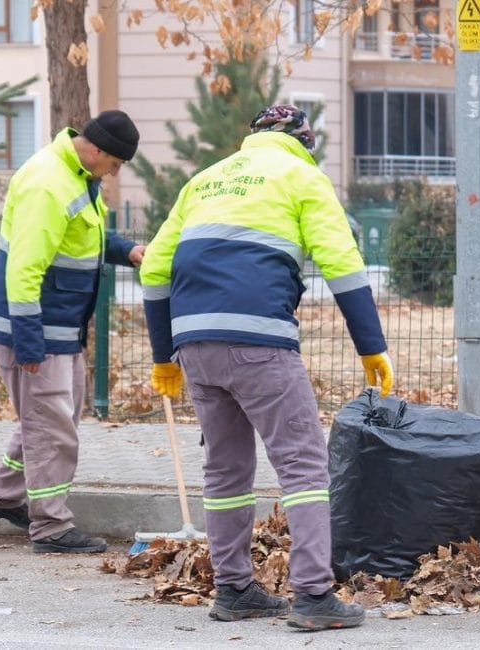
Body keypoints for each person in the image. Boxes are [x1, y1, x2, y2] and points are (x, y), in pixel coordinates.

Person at [140, 104, 394, 631]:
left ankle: (233, 589)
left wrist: (165, 355)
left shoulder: (204, 181)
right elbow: (342, 263)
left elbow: (155, 270)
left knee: (227, 469)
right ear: (303, 141)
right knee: (303, 465)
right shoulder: (302, 175)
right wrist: (371, 346)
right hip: (258, 341)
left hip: (195, 343)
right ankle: (314, 596)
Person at [0, 110, 146, 553]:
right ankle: (51, 527)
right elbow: (25, 268)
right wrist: (29, 341)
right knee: (51, 427)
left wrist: (129, 252)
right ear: (96, 150)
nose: (114, 174)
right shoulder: (48, 183)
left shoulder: (76, 177)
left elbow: (82, 240)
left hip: (60, 326)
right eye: (114, 164)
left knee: (54, 418)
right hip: (35, 329)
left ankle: (2, 495)